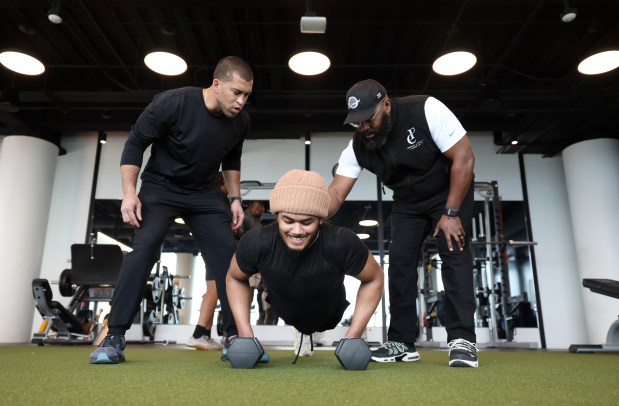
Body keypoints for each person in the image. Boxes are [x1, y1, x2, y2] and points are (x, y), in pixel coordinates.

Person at [90, 56, 253, 364]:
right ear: (217, 85)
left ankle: (235, 337)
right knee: (145, 249)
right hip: (160, 187)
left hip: (204, 193)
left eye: (247, 95)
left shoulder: (240, 121)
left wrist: (234, 200)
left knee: (228, 259)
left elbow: (231, 160)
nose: (241, 101)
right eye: (236, 92)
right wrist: (128, 194)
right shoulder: (173, 103)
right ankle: (114, 336)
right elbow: (135, 143)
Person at [328, 79, 478, 367]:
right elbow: (335, 193)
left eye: (368, 119)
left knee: (454, 253)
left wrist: (451, 213)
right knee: (399, 262)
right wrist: (309, 212)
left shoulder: (425, 110)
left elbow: (464, 157)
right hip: (408, 202)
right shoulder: (358, 147)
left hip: (449, 190)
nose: (363, 128)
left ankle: (462, 339)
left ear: (385, 105)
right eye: (356, 123)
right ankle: (402, 342)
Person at [226, 169, 384, 360]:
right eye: (288, 221)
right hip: (286, 309)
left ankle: (310, 333)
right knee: (296, 319)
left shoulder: (341, 241)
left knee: (319, 324)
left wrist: (353, 337)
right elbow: (235, 278)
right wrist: (246, 336)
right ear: (277, 215)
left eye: (307, 222)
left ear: (320, 219)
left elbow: (375, 278)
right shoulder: (256, 242)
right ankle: (301, 331)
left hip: (329, 313)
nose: (297, 231)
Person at [186, 172, 229, 351]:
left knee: (214, 290)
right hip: (214, 248)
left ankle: (205, 335)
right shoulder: (217, 199)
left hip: (213, 248)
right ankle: (197, 334)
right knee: (214, 290)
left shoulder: (219, 199)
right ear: (221, 182)